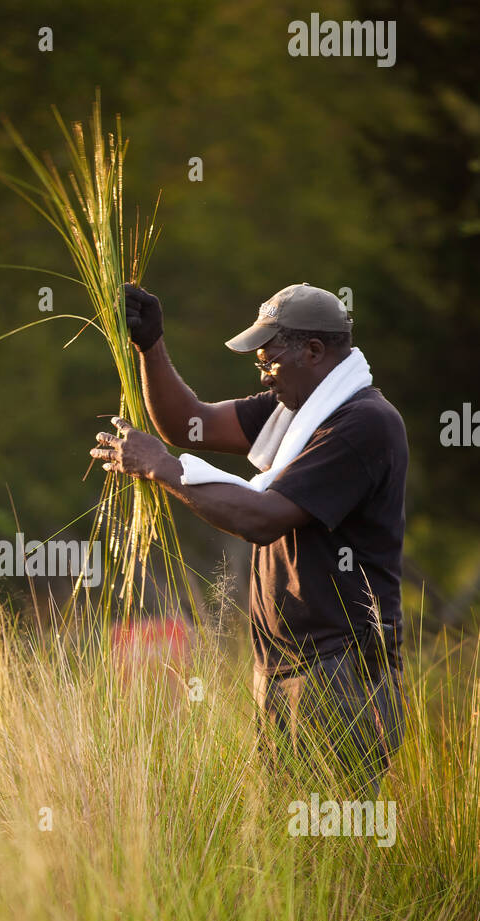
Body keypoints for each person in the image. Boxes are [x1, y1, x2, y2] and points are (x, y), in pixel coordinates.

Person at [89, 282, 408, 795]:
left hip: (338, 671)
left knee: (337, 850)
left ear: (313, 351)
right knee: (292, 850)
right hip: (288, 667)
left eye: (269, 361)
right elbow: (188, 424)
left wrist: (163, 470)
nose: (263, 374)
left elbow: (263, 518)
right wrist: (150, 345)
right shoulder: (296, 411)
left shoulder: (361, 424)